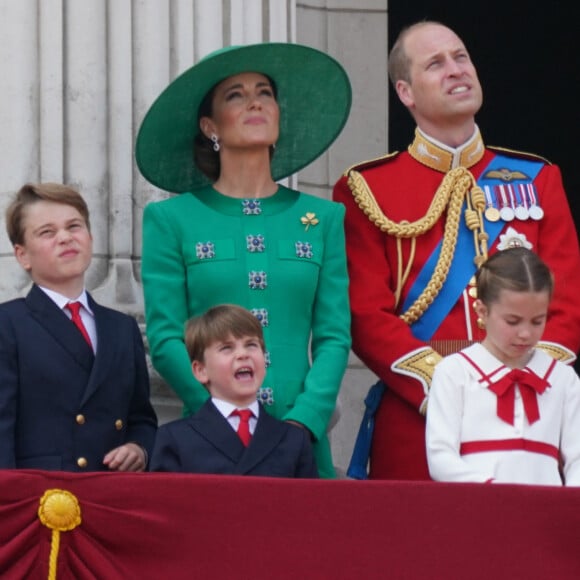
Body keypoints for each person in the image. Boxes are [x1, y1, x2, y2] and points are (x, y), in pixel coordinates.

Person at [332, 20, 580, 480]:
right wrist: (448, 385)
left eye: (460, 57)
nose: (455, 70)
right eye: (435, 63)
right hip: (420, 414)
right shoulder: (365, 188)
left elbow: (567, 299)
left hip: (525, 410)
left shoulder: (537, 179)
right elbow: (364, 314)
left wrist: (529, 380)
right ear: (405, 92)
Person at [136, 43, 352, 478]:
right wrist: (218, 416)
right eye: (235, 94)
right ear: (209, 125)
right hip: (207, 444)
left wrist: (304, 420)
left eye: (265, 92)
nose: (255, 101)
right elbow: (165, 337)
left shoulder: (324, 218)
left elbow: (333, 336)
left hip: (299, 439)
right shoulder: (170, 219)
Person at [0, 183, 158, 472]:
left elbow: (142, 419)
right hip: (42, 497)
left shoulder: (122, 328)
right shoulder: (8, 324)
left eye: (74, 226)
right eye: (47, 232)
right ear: (22, 255)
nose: (65, 237)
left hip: (112, 493)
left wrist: (139, 449)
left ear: (90, 237)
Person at [426, 248, 580, 485]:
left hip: (548, 513)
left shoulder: (563, 378)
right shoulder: (454, 371)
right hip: (477, 508)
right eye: (512, 321)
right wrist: (492, 493)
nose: (526, 333)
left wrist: (567, 505)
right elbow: (440, 456)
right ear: (482, 311)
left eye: (538, 321)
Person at [149, 304, 319, 477]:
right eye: (227, 348)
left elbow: (307, 502)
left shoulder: (294, 441)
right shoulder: (175, 439)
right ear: (201, 370)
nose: (243, 354)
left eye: (251, 345)